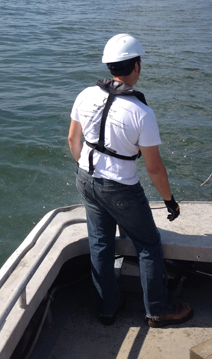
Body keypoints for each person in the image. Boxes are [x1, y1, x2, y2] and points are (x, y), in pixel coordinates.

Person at [68, 33, 193, 328]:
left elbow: (74, 140)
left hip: (86, 180)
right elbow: (155, 168)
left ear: (109, 66)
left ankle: (107, 307)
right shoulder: (141, 112)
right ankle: (159, 311)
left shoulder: (85, 95)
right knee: (148, 244)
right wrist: (169, 201)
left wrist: (89, 173)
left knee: (101, 244)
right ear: (136, 66)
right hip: (120, 188)